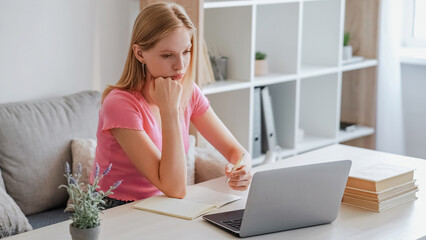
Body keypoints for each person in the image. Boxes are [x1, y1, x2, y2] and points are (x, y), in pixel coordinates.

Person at [92, 2, 252, 209]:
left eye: (186, 51)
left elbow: (236, 151)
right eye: (167, 55)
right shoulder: (120, 104)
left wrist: (243, 168)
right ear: (140, 54)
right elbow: (175, 188)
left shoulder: (188, 91)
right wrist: (169, 111)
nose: (180, 65)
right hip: (117, 208)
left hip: (164, 204)